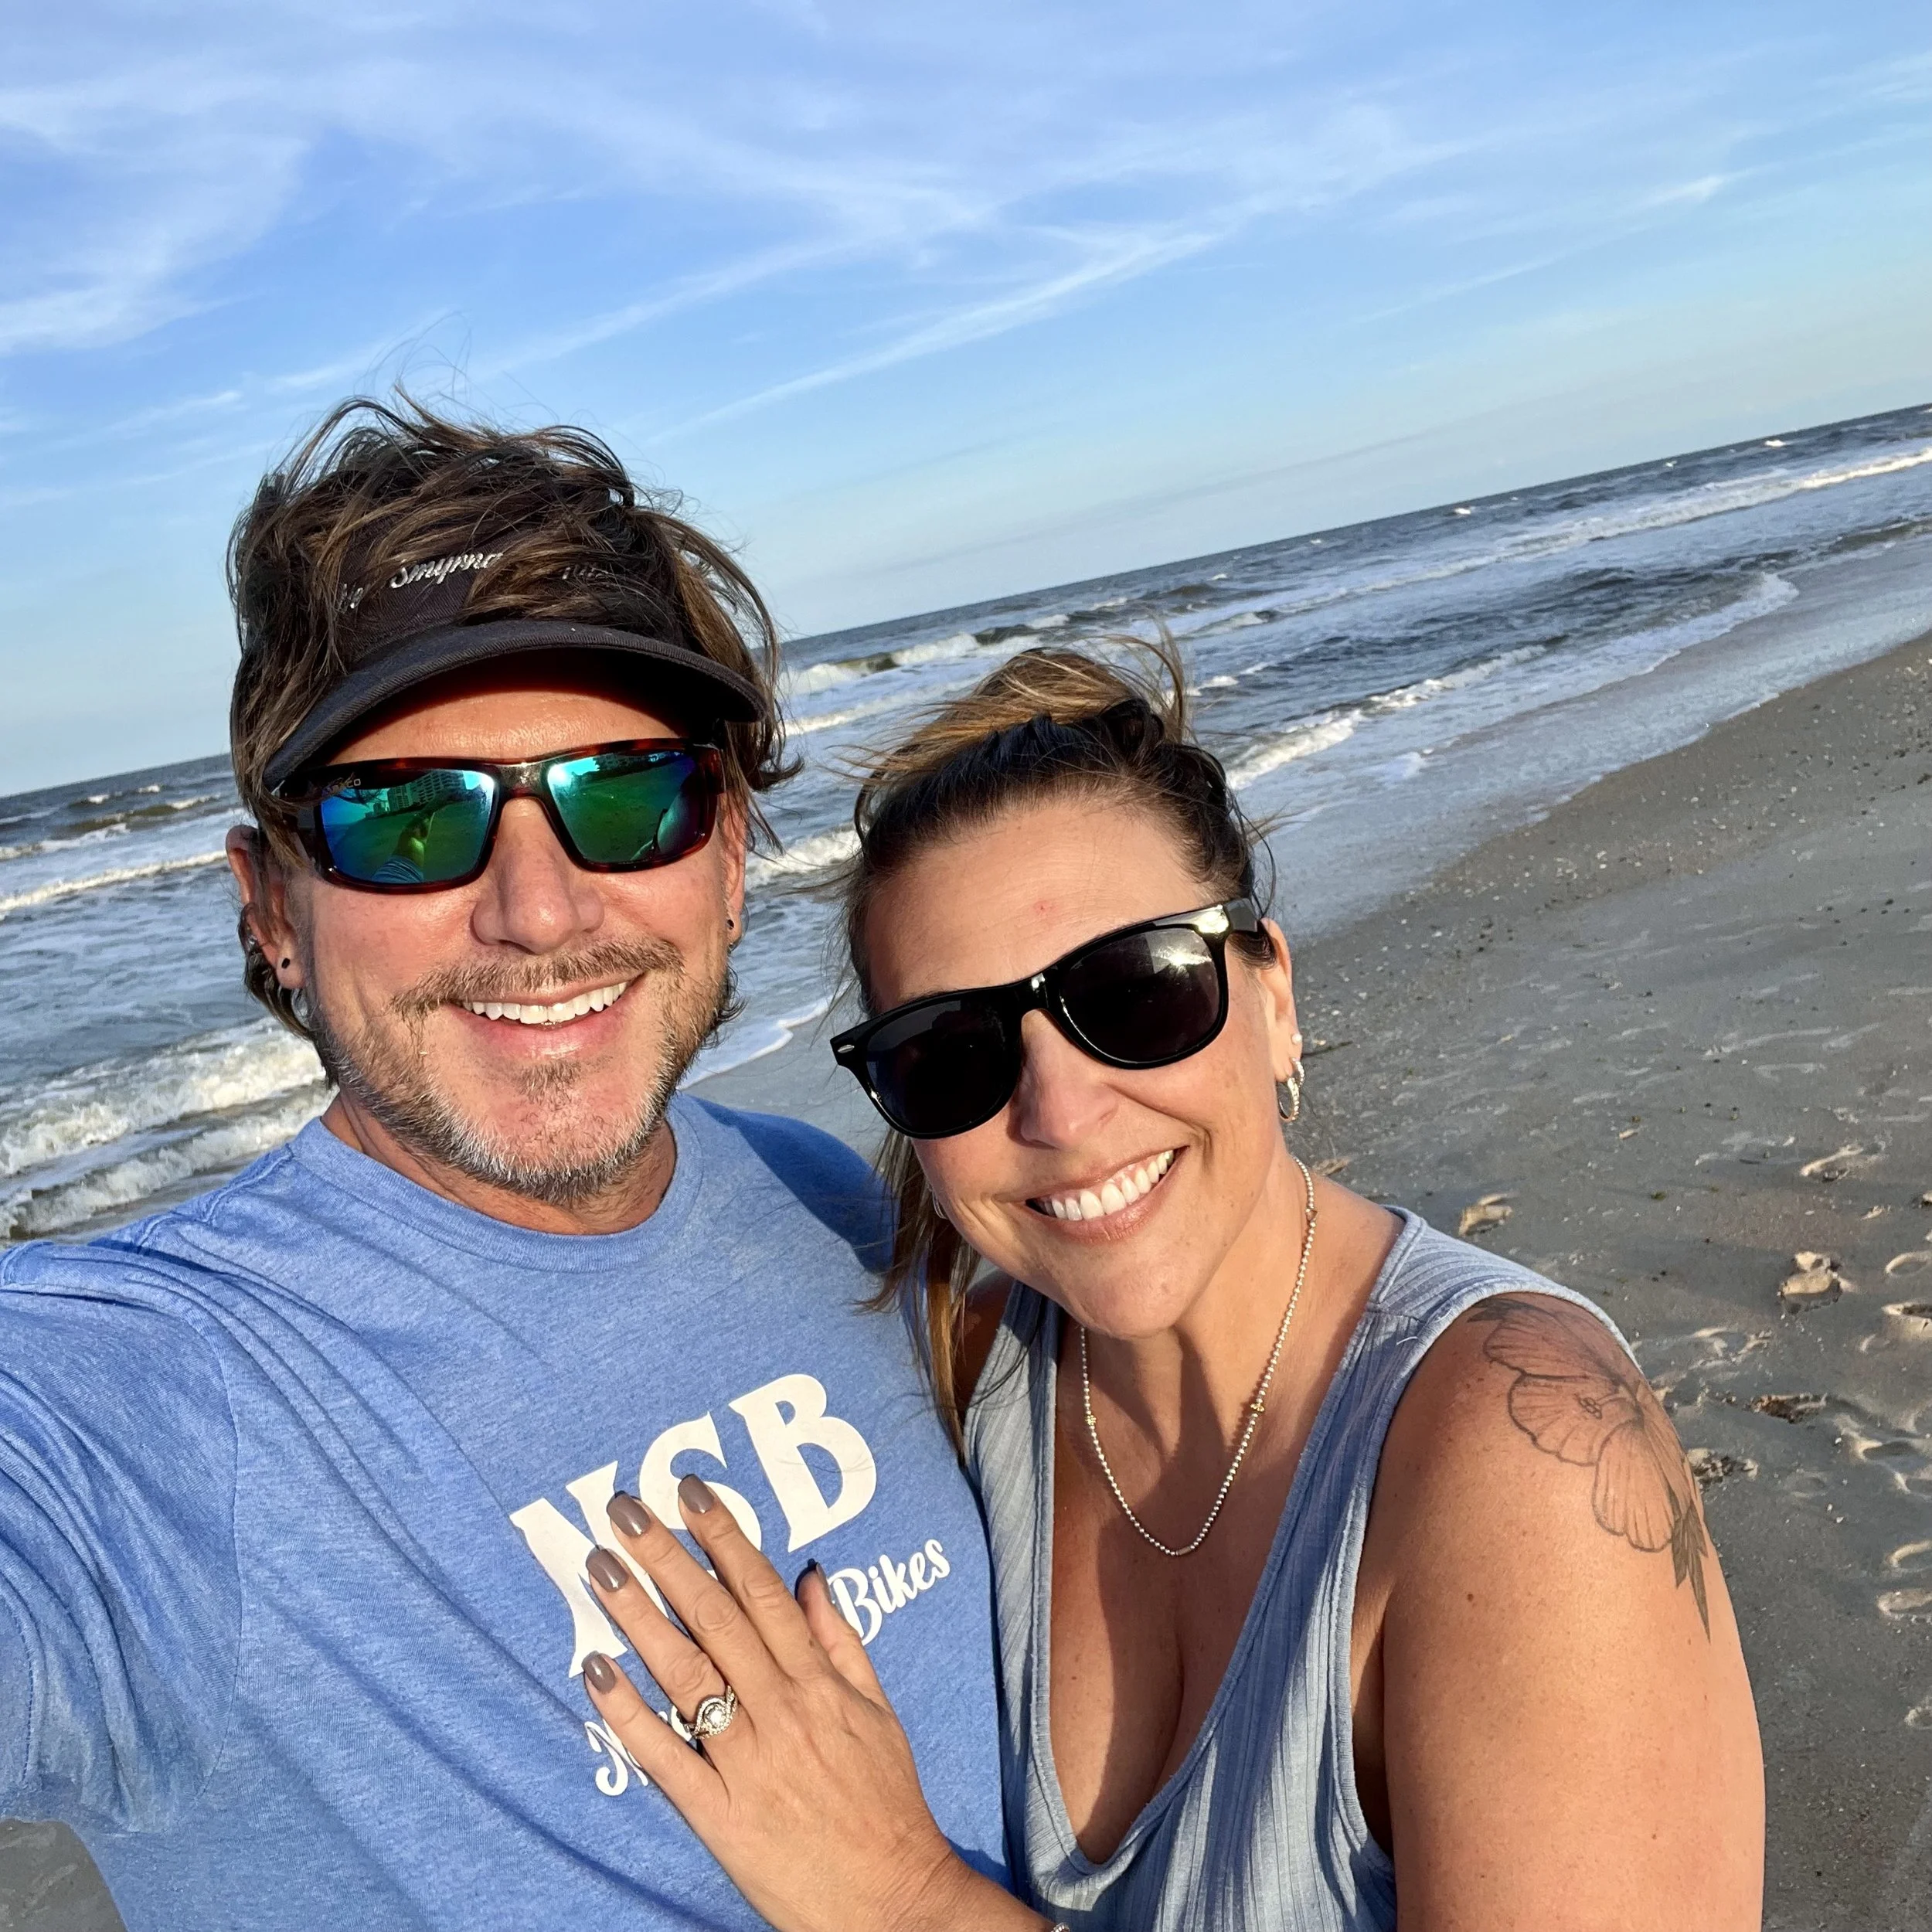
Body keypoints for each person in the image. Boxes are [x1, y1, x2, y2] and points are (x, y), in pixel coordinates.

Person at [0, 400, 1006, 1928]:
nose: (539, 911)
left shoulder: (823, 1195)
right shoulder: (145, 1396)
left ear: (730, 856)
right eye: (410, 818)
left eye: (628, 793)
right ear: (272, 907)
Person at [574, 645, 1767, 1930]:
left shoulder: (1524, 1453)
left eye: (1135, 992)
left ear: (1273, 994)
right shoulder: (973, 1382)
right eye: (953, 1053)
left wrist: (903, 1896)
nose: (1062, 1112)